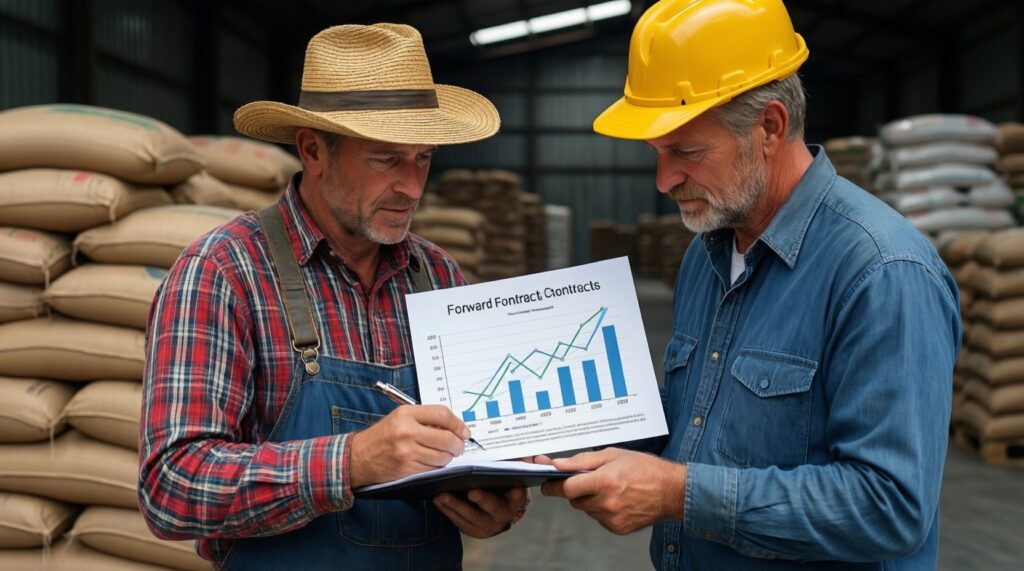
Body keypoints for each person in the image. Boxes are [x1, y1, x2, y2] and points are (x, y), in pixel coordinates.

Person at [538, 1, 960, 569]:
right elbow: (695, 418)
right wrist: (554, 439)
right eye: (656, 153)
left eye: (686, 151)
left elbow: (890, 507)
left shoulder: (882, 272)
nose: (664, 180)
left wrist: (677, 493)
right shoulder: (706, 253)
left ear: (770, 127)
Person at [138, 24, 528, 570]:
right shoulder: (224, 272)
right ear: (313, 149)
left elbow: (478, 444)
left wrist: (495, 502)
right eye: (386, 159)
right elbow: (172, 486)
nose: (413, 186)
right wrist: (352, 461)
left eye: (423, 157)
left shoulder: (437, 275)